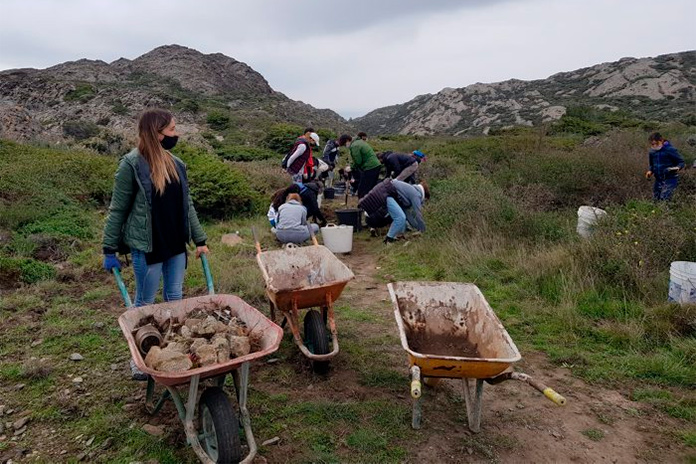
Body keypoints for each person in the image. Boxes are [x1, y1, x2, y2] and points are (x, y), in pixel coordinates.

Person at [102, 108, 209, 380]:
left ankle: (171, 351)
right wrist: (109, 248)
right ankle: (139, 360)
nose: (177, 134)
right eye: (172, 130)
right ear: (157, 133)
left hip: (175, 244)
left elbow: (187, 206)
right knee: (145, 304)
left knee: (175, 299)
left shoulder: (177, 163)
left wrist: (200, 240)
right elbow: (118, 209)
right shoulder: (131, 164)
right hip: (147, 246)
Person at [358, 179, 406, 243]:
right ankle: (391, 236)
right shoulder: (386, 198)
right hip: (378, 219)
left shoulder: (374, 195)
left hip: (368, 220)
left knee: (378, 213)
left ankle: (373, 228)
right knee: (394, 215)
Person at [339, 134, 381, 198]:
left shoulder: (354, 146)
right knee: (371, 188)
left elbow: (358, 161)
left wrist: (351, 167)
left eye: (344, 144)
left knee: (362, 190)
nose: (345, 146)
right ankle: (373, 204)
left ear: (347, 140)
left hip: (370, 167)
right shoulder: (358, 142)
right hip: (375, 166)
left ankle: (364, 206)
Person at [645, 132, 684, 201]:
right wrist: (650, 171)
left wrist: (677, 168)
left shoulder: (670, 150)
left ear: (661, 140)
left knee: (665, 198)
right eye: (652, 144)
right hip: (658, 179)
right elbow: (652, 164)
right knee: (656, 198)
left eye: (656, 143)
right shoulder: (652, 152)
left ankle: (668, 211)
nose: (654, 146)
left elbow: (681, 162)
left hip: (670, 178)